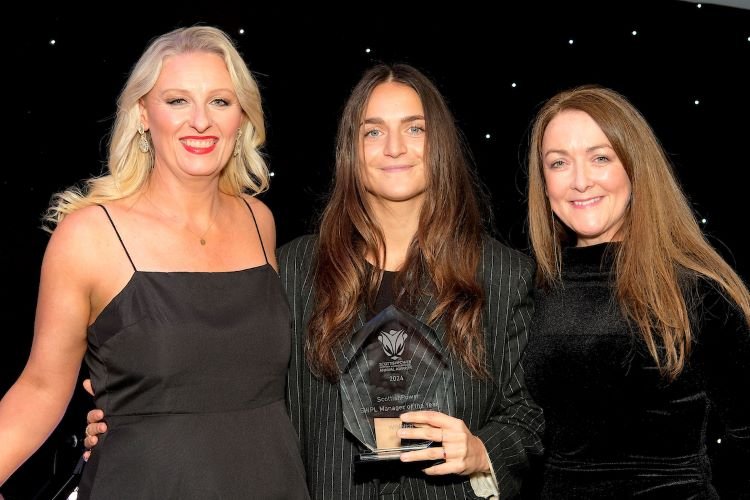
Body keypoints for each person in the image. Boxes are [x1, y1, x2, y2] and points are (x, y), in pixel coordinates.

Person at [83, 62, 544, 498]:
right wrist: (133, 407)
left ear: (439, 142)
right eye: (373, 131)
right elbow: (237, 378)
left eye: (415, 128)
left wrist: (483, 453)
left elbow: (526, 415)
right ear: (351, 149)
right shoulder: (295, 268)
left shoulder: (503, 273)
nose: (395, 147)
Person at [0, 26, 309, 499]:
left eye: (220, 102)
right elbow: (40, 388)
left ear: (242, 116)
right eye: (177, 101)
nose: (200, 121)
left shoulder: (259, 221)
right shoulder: (89, 235)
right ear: (143, 113)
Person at [521, 84, 750, 498]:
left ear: (634, 166)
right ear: (544, 181)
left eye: (600, 158)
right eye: (558, 163)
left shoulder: (699, 292)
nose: (580, 181)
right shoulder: (524, 292)